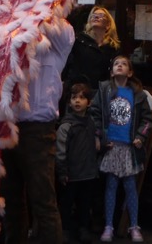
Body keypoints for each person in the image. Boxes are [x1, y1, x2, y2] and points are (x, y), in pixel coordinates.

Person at [0, 15, 75, 244]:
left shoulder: (59, 41)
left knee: (43, 200)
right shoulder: (12, 38)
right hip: (7, 127)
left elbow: (59, 27)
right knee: (11, 200)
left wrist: (40, 1)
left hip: (38, 130)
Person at [90, 55, 152, 243]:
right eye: (116, 64)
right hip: (111, 146)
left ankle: (134, 225)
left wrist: (141, 136)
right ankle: (108, 225)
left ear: (130, 72)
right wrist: (100, 136)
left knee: (130, 187)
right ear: (111, 71)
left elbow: (147, 120)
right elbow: (94, 114)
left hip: (129, 148)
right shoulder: (104, 90)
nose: (119, 66)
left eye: (124, 64)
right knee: (110, 186)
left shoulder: (138, 95)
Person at [57, 83, 100, 244]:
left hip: (88, 173)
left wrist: (101, 142)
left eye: (82, 98)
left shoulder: (91, 123)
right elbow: (61, 151)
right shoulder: (66, 125)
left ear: (88, 102)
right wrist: (62, 171)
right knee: (67, 203)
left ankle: (83, 228)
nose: (77, 101)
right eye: (74, 97)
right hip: (71, 174)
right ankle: (65, 229)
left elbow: (96, 141)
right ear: (69, 102)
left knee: (84, 203)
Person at [63, 6, 121, 94]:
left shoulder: (112, 47)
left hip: (101, 93)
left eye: (101, 15)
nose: (96, 17)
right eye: (94, 15)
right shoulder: (79, 41)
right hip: (78, 93)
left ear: (108, 25)